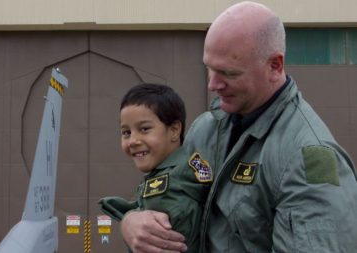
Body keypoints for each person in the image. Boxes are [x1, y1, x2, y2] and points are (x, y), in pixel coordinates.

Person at [120, 1, 357, 253]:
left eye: (228, 73)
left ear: (274, 66)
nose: (212, 84)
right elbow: (171, 196)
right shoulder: (206, 130)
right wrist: (131, 220)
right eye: (209, 68)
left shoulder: (307, 157)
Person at [99, 83, 211, 252]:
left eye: (144, 129)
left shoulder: (166, 187)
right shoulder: (191, 163)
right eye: (126, 132)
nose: (133, 141)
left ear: (174, 130)